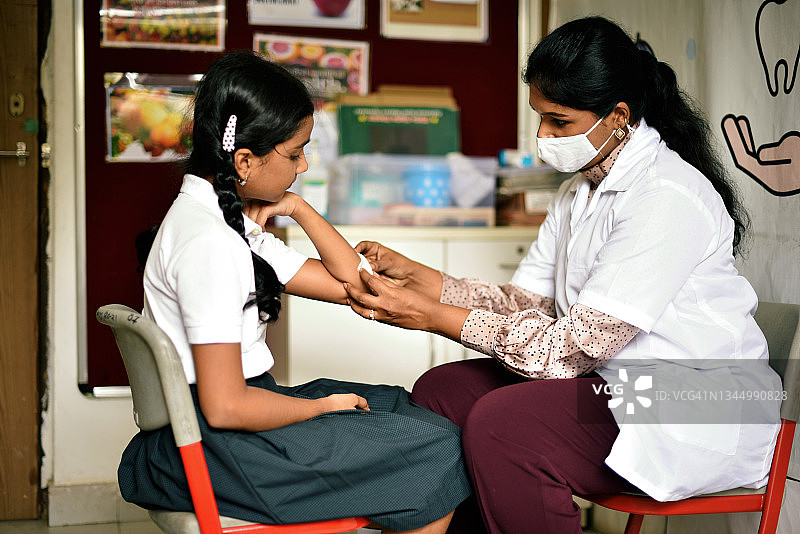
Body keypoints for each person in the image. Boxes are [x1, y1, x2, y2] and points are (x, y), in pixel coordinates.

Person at [344, 16, 782, 534]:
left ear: (618, 116)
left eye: (558, 122)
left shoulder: (666, 196)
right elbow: (529, 306)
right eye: (539, 118)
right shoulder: (579, 192)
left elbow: (568, 349)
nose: (542, 136)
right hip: (614, 384)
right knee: (444, 390)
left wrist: (436, 316)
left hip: (689, 399)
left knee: (506, 427)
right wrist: (429, 282)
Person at [118, 51, 470, 534]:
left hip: (222, 431)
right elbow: (228, 406)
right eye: (295, 152)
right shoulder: (211, 246)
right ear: (244, 160)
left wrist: (300, 210)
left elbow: (356, 287)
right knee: (440, 446)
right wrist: (321, 408)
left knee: (400, 406)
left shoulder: (226, 223)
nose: (303, 165)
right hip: (227, 449)